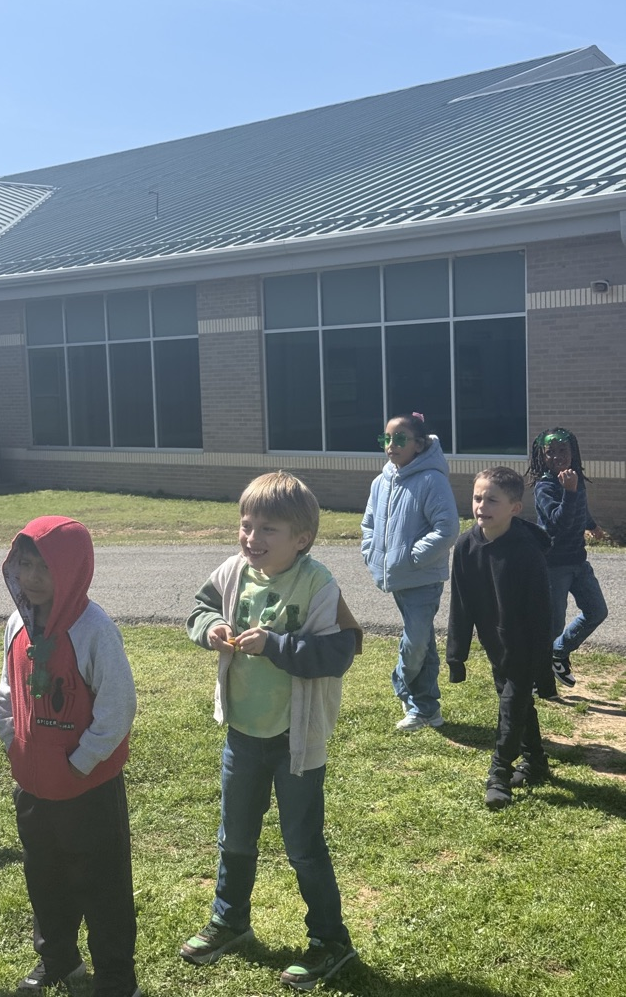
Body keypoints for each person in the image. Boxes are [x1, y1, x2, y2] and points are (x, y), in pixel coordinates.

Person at [180, 471, 361, 992]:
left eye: (268, 529)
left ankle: (330, 940)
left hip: (296, 740)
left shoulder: (317, 583)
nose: (251, 537)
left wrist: (277, 646)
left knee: (303, 843)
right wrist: (207, 628)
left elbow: (340, 651)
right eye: (246, 524)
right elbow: (200, 606)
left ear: (302, 538)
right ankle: (229, 921)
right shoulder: (234, 571)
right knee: (234, 835)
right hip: (243, 733)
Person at [0, 516, 140, 997]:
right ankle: (59, 958)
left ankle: (117, 978)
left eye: (45, 567)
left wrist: (80, 763)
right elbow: (7, 691)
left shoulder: (94, 629)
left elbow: (118, 706)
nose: (32, 577)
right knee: (45, 877)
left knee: (103, 887)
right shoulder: (17, 623)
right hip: (34, 786)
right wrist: (14, 744)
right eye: (25, 565)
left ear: (73, 570)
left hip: (88, 789)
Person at [447, 468, 555, 810]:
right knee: (518, 703)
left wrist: (542, 662)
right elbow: (460, 604)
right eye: (478, 497)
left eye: (492, 499)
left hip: (525, 643)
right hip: (495, 644)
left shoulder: (526, 551)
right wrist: (456, 655)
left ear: (515, 508)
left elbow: (542, 612)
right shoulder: (466, 545)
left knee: (511, 704)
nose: (482, 505)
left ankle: (499, 773)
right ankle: (535, 762)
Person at [361, 413, 459, 730]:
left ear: (418, 445)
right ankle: (426, 708)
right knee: (424, 641)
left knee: (416, 641)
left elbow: (447, 529)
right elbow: (369, 524)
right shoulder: (381, 482)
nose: (392, 445)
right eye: (387, 438)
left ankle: (403, 684)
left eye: (400, 438)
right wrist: (370, 552)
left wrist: (413, 556)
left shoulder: (432, 480)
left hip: (423, 578)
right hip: (396, 577)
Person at [527, 427, 608, 689]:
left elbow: (580, 510)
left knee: (596, 611)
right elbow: (558, 522)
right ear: (542, 456)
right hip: (553, 566)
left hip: (578, 562)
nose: (558, 456)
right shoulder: (545, 486)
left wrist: (592, 525)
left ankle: (558, 652)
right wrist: (569, 492)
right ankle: (537, 677)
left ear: (573, 451)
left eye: (563, 450)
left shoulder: (575, 478)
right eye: (551, 452)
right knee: (553, 624)